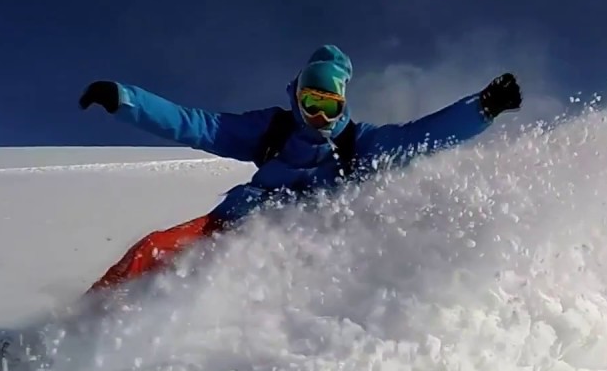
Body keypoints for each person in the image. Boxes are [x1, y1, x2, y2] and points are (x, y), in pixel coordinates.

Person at [78, 44, 522, 291]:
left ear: (343, 103)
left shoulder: (357, 144)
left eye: (330, 106)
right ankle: (73, 331)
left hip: (297, 251)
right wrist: (125, 99)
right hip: (229, 226)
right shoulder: (269, 129)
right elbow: (196, 125)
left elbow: (417, 139)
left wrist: (481, 108)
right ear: (297, 97)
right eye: (311, 102)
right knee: (150, 252)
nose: (320, 116)